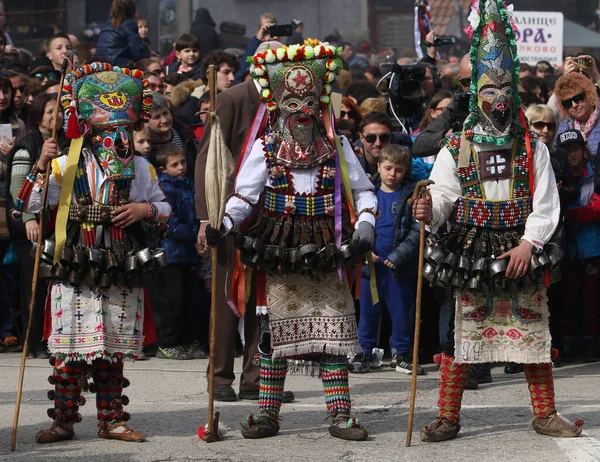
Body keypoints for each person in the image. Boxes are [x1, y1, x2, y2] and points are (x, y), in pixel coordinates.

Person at [413, 0, 583, 442]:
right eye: (488, 90)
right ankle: (449, 415)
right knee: (464, 331)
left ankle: (545, 413)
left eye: (504, 91)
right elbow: (445, 193)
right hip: (471, 246)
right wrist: (430, 208)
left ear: (514, 93)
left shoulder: (533, 147)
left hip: (520, 244)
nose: (497, 99)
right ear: (475, 93)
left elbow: (546, 203)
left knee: (531, 328)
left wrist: (530, 243)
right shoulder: (458, 144)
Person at [207, 40, 376, 441]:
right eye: (292, 106)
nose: (301, 114)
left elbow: (365, 191)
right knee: (273, 332)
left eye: (308, 106)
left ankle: (340, 414)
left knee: (334, 332)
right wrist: (224, 224)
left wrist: (367, 221)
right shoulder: (266, 149)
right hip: (278, 247)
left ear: (319, 104)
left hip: (327, 246)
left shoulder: (337, 146)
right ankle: (268, 413)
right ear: (278, 105)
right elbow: (244, 196)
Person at [15, 63, 170, 443]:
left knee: (112, 349)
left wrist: (143, 210)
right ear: (89, 128)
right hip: (75, 261)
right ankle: (63, 421)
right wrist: (40, 164)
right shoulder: (66, 164)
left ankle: (112, 420)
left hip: (120, 261)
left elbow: (164, 209)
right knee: (70, 347)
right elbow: (29, 203)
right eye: (104, 130)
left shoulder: (140, 167)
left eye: (120, 130)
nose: (113, 137)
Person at [195, 40, 289, 404]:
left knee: (265, 301)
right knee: (227, 296)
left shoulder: (287, 100)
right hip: (230, 213)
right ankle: (219, 376)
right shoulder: (232, 98)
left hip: (276, 213)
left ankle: (256, 378)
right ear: (256, 63)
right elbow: (206, 159)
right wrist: (206, 217)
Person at [8, 93, 69, 358]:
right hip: (34, 229)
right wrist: (29, 218)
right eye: (50, 112)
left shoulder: (71, 144)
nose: (57, 116)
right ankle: (34, 342)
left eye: (61, 111)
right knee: (35, 287)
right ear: (37, 116)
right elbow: (17, 187)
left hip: (64, 225)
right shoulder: (27, 146)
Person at [353, 144, 421, 375]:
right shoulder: (366, 194)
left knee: (402, 312)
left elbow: (417, 231)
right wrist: (363, 252)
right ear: (379, 167)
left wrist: (398, 255)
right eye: (388, 168)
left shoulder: (411, 196)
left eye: (399, 170)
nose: (393, 174)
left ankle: (401, 354)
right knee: (367, 314)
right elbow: (356, 226)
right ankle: (365, 353)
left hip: (397, 269)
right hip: (370, 268)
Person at [154, 143, 204, 360]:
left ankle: (186, 341)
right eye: (175, 164)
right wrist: (194, 238)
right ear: (163, 168)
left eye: (183, 162)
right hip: (171, 253)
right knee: (171, 300)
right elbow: (170, 223)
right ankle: (166, 343)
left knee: (189, 299)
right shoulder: (165, 188)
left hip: (189, 253)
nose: (181, 167)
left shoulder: (189, 184)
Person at [557, 129, 600, 362]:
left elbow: (597, 207)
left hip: (592, 247)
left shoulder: (595, 174)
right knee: (568, 299)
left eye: (575, 149)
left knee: (591, 300)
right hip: (567, 249)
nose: (571, 154)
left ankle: (591, 345)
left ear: (584, 151)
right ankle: (569, 345)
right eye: (566, 150)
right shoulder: (558, 176)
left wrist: (570, 213)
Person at [412, 53, 471, 158]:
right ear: (459, 80)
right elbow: (419, 144)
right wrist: (447, 136)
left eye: (478, 81)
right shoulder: (459, 103)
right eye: (467, 81)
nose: (473, 87)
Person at [146, 92, 196, 179]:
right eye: (157, 117)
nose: (164, 120)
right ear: (146, 121)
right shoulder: (148, 147)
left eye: (165, 113)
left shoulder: (185, 134)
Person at [555, 72, 600, 156]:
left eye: (578, 98)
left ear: (589, 94)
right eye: (567, 103)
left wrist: (596, 76)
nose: (574, 105)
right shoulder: (564, 127)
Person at [94, 0, 150, 67]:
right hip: (119, 65)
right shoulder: (129, 24)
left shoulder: (107, 24)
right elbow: (136, 50)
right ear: (132, 10)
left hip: (100, 65)